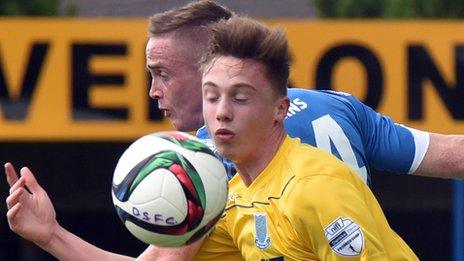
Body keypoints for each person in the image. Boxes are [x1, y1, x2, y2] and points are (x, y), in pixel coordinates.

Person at [3, 0, 463, 260]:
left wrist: (53, 236)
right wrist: (49, 234)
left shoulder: (209, 170)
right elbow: (449, 154)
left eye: (162, 72)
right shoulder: (332, 108)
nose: (152, 91)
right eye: (213, 94)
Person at [167, 15, 418, 259]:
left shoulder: (313, 188)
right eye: (211, 97)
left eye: (240, 98)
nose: (222, 112)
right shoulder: (236, 197)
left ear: (280, 110)